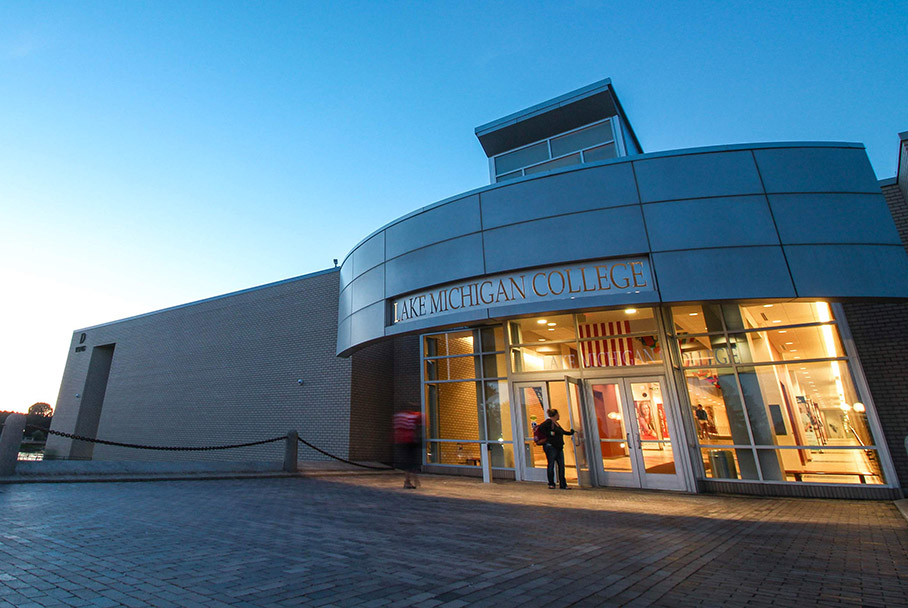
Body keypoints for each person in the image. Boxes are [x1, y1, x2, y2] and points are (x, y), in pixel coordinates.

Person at [536, 408, 575, 489]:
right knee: (551, 465)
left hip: (559, 447)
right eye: (558, 414)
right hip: (551, 447)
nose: (559, 416)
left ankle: (563, 484)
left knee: (561, 466)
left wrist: (570, 433)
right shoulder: (549, 422)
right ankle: (551, 483)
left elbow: (562, 432)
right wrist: (550, 434)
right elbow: (541, 428)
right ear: (555, 415)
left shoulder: (556, 424)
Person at [393, 408, 423, 489]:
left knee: (409, 463)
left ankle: (409, 480)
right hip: (409, 442)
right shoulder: (412, 416)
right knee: (410, 463)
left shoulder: (401, 417)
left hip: (403, 442)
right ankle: (408, 481)